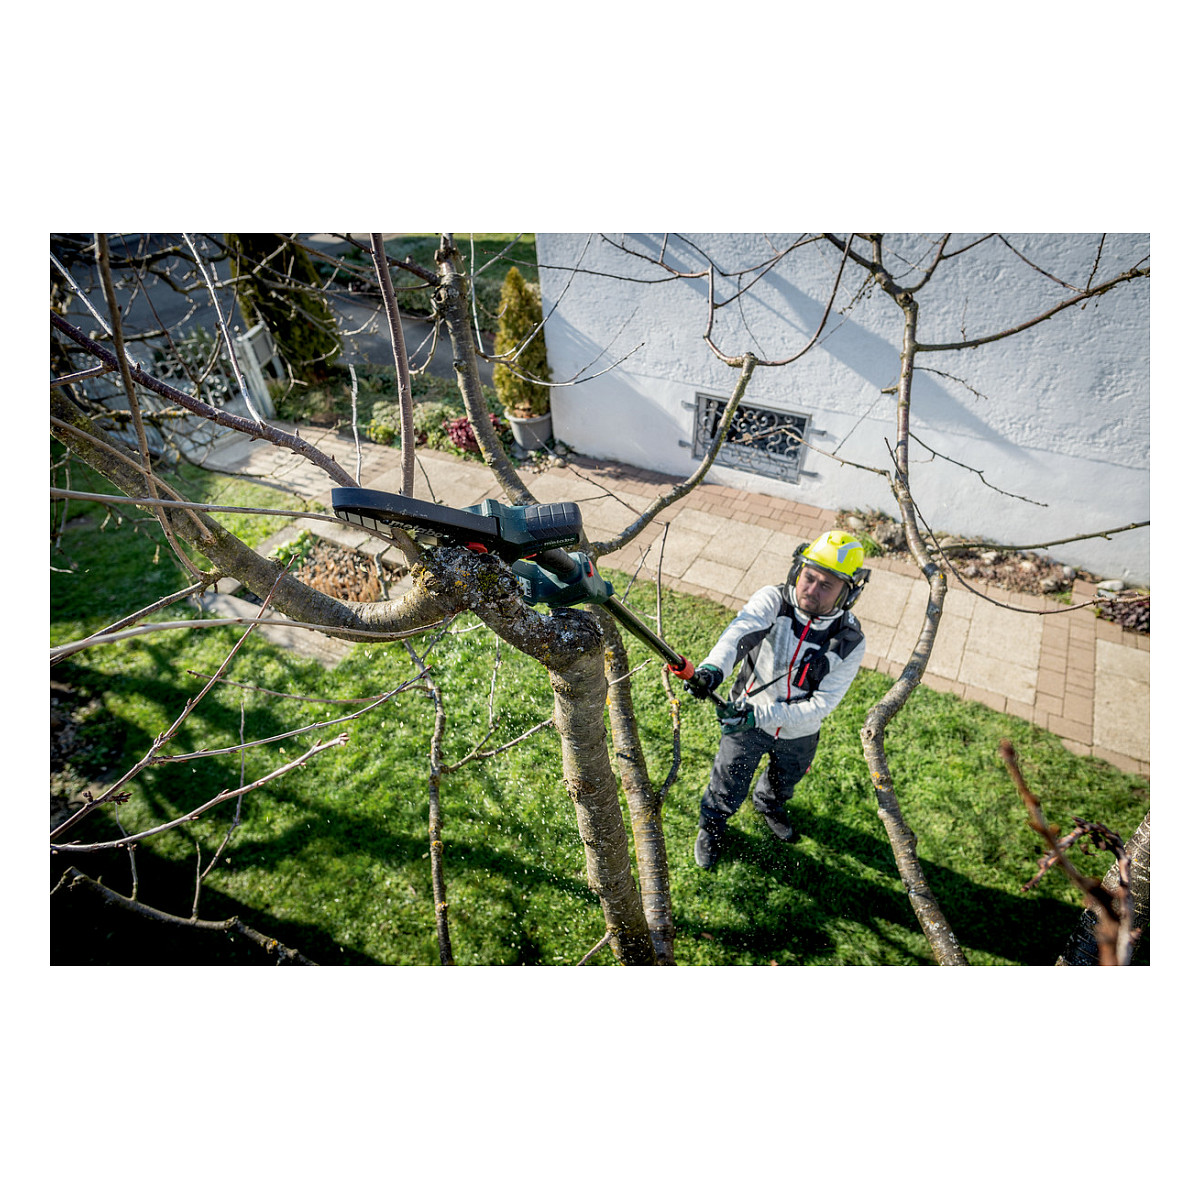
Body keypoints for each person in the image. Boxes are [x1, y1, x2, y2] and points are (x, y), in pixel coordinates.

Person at [680, 530, 869, 870]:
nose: (811, 590)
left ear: (848, 594)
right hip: (745, 720)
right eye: (809, 577)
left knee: (785, 780)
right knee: (728, 781)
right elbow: (739, 633)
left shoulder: (849, 639)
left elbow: (823, 704)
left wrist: (760, 714)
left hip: (799, 731)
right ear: (797, 570)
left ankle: (768, 804)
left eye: (826, 585)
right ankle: (712, 826)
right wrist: (712, 670)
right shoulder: (773, 601)